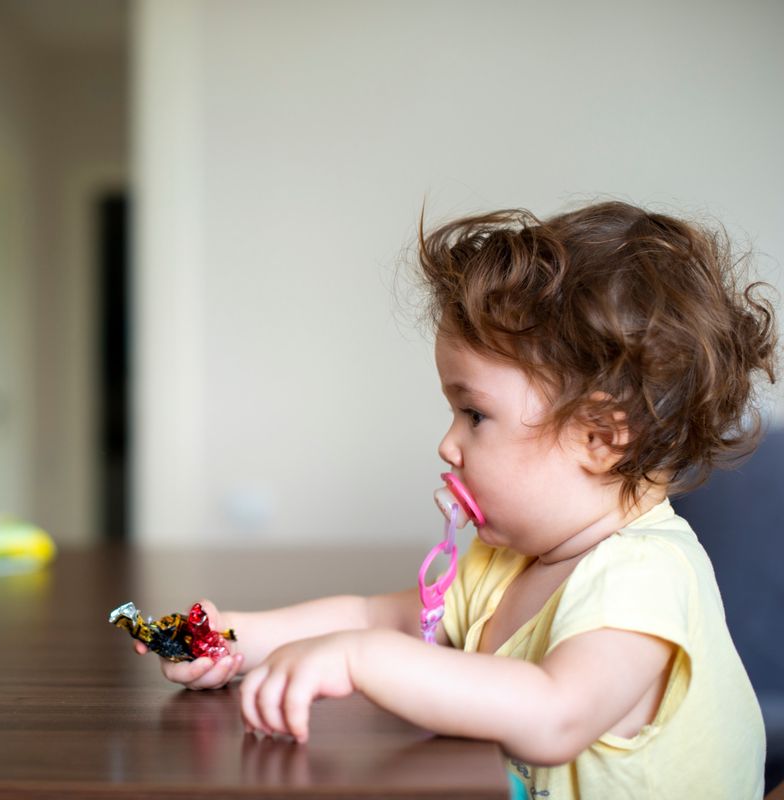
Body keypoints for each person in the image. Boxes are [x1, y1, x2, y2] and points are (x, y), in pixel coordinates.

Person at [133, 201, 777, 799]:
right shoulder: (507, 563)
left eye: (474, 414)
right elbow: (369, 617)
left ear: (599, 436)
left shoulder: (644, 577)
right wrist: (235, 639)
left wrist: (366, 662)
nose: (448, 444)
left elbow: (553, 713)